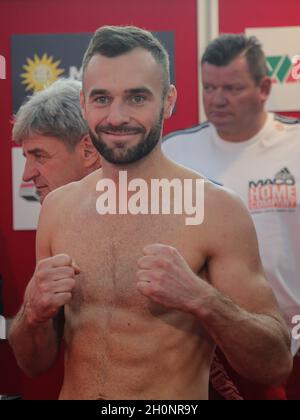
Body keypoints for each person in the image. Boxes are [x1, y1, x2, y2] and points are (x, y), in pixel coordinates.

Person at [8, 26, 292, 400]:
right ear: (83, 103)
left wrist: (203, 300)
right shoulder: (58, 209)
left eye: (137, 98)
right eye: (101, 98)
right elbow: (33, 363)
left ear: (169, 99)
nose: (117, 115)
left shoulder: (215, 210)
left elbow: (274, 363)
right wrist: (33, 313)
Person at [162, 33, 300, 399]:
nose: (217, 99)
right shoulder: (174, 151)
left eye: (233, 88)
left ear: (265, 87)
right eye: (210, 87)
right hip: (213, 349)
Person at [13, 78, 101, 204]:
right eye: (26, 157)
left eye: (39, 156)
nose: (26, 175)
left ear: (88, 150)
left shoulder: (132, 214)